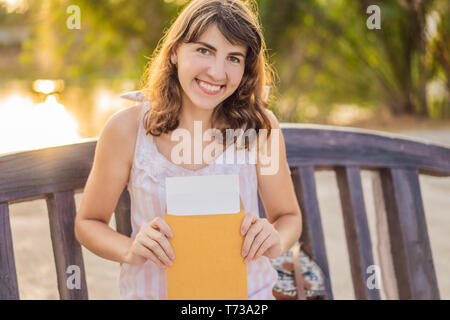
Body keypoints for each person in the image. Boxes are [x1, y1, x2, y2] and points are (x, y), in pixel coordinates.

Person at [74, 0, 302, 300]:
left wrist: (274, 238)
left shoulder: (259, 129)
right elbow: (88, 223)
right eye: (204, 50)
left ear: (245, 68)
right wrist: (129, 249)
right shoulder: (127, 129)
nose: (217, 72)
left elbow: (289, 217)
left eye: (233, 58)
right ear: (175, 52)